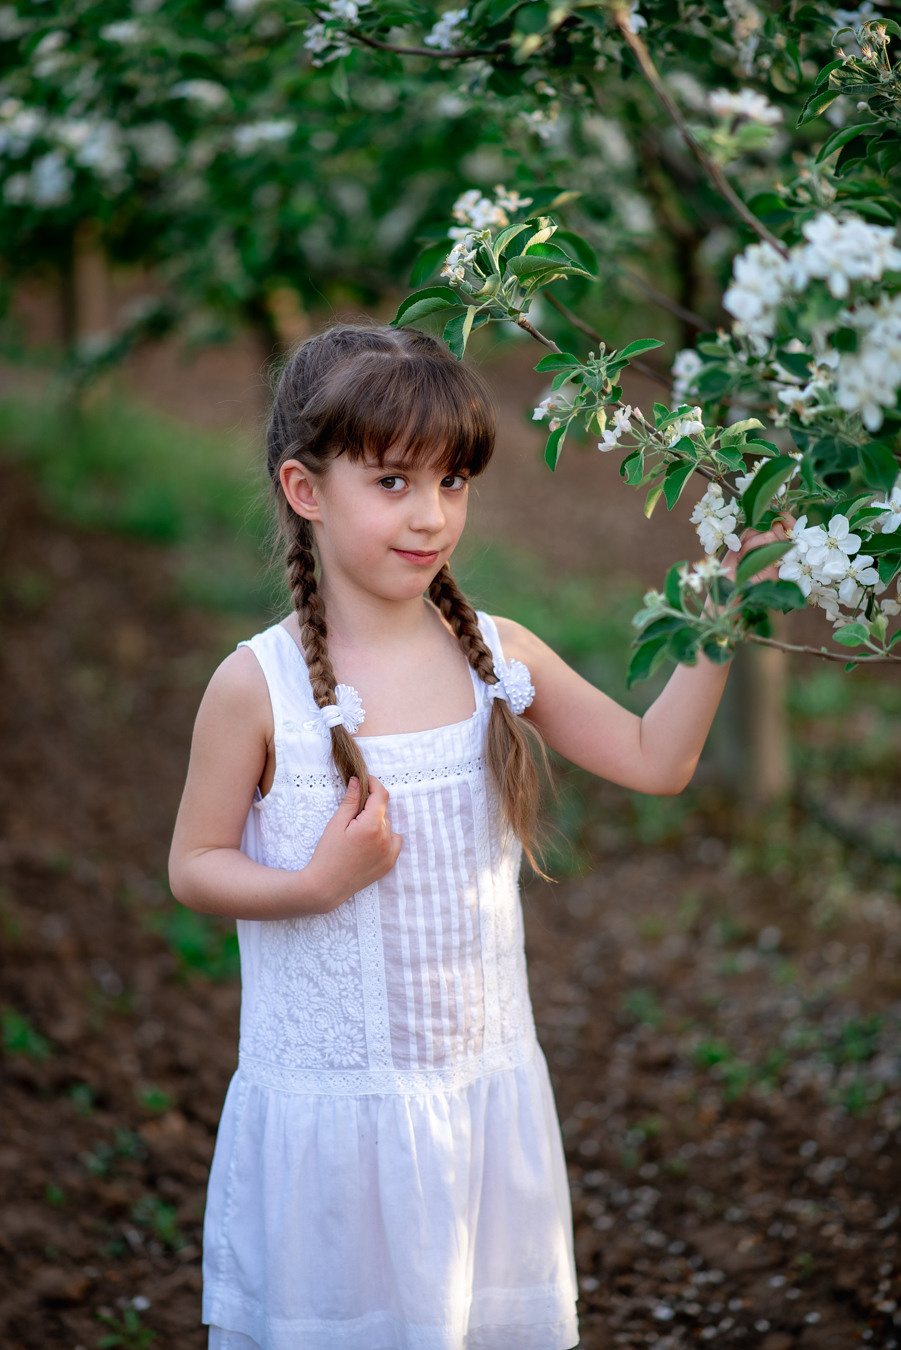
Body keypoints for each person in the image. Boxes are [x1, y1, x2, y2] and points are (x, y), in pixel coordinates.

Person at [169, 323, 774, 1350]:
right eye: (394, 482)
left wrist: (720, 601)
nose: (432, 515)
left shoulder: (498, 656)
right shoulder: (256, 688)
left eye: (453, 481)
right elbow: (194, 866)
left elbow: (653, 759)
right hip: (339, 1123)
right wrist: (316, 884)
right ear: (306, 489)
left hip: (478, 1103)